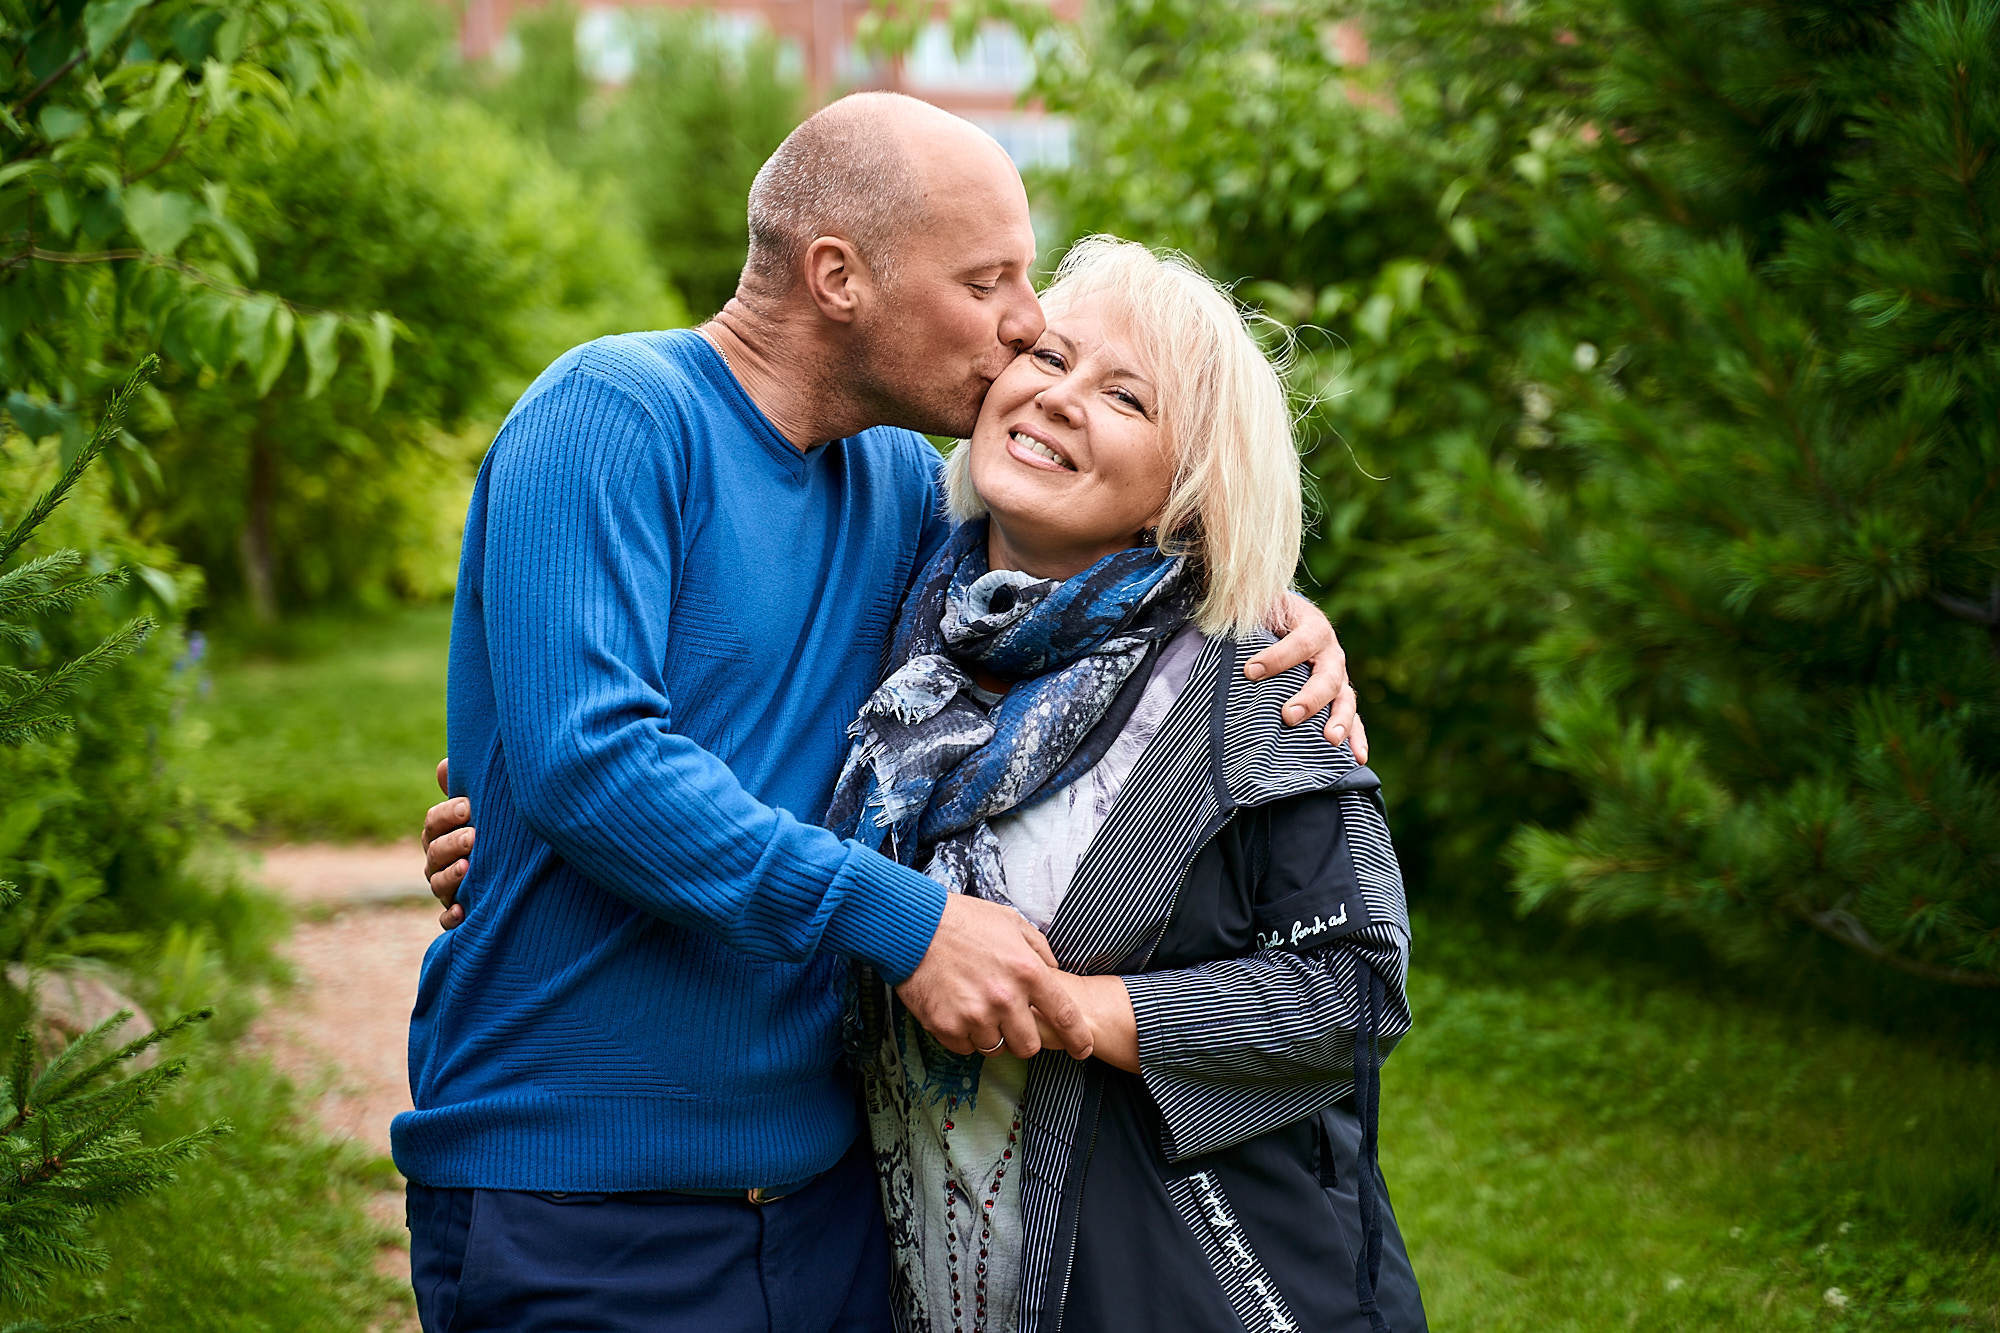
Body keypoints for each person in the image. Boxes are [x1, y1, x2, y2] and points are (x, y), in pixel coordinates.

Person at [397, 93, 1358, 1333]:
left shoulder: (901, 493)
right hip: (582, 1192)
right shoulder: (613, 414)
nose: (1025, 327)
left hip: (827, 1198)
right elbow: (592, 762)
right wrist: (908, 923)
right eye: (988, 281)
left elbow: (1090, 566)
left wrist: (1268, 605)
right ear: (839, 275)